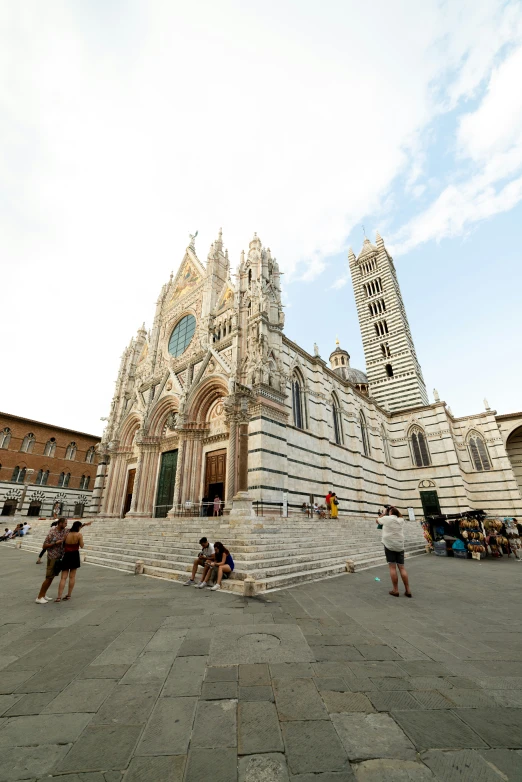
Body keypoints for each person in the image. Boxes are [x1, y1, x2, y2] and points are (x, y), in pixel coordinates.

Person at [35, 518, 92, 604]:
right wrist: (55, 543)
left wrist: (84, 524)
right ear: (60, 523)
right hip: (53, 557)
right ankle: (39, 597)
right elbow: (44, 546)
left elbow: (75, 528)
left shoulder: (65, 531)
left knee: (53, 577)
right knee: (49, 577)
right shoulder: (52, 532)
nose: (66, 524)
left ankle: (44, 594)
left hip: (61, 556)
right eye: (65, 523)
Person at [377, 506, 412, 598]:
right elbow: (399, 516)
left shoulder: (386, 518)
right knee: (402, 568)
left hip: (389, 545)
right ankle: (408, 590)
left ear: (390, 512)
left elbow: (377, 520)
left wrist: (384, 513)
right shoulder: (401, 520)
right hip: (400, 545)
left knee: (392, 567)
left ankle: (395, 590)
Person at [54, 521, 84, 602]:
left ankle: (59, 596)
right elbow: (81, 545)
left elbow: (63, 544)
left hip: (67, 555)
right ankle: (69, 595)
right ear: (78, 527)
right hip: (74, 555)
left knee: (63, 577)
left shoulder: (67, 534)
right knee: (72, 577)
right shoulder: (79, 535)